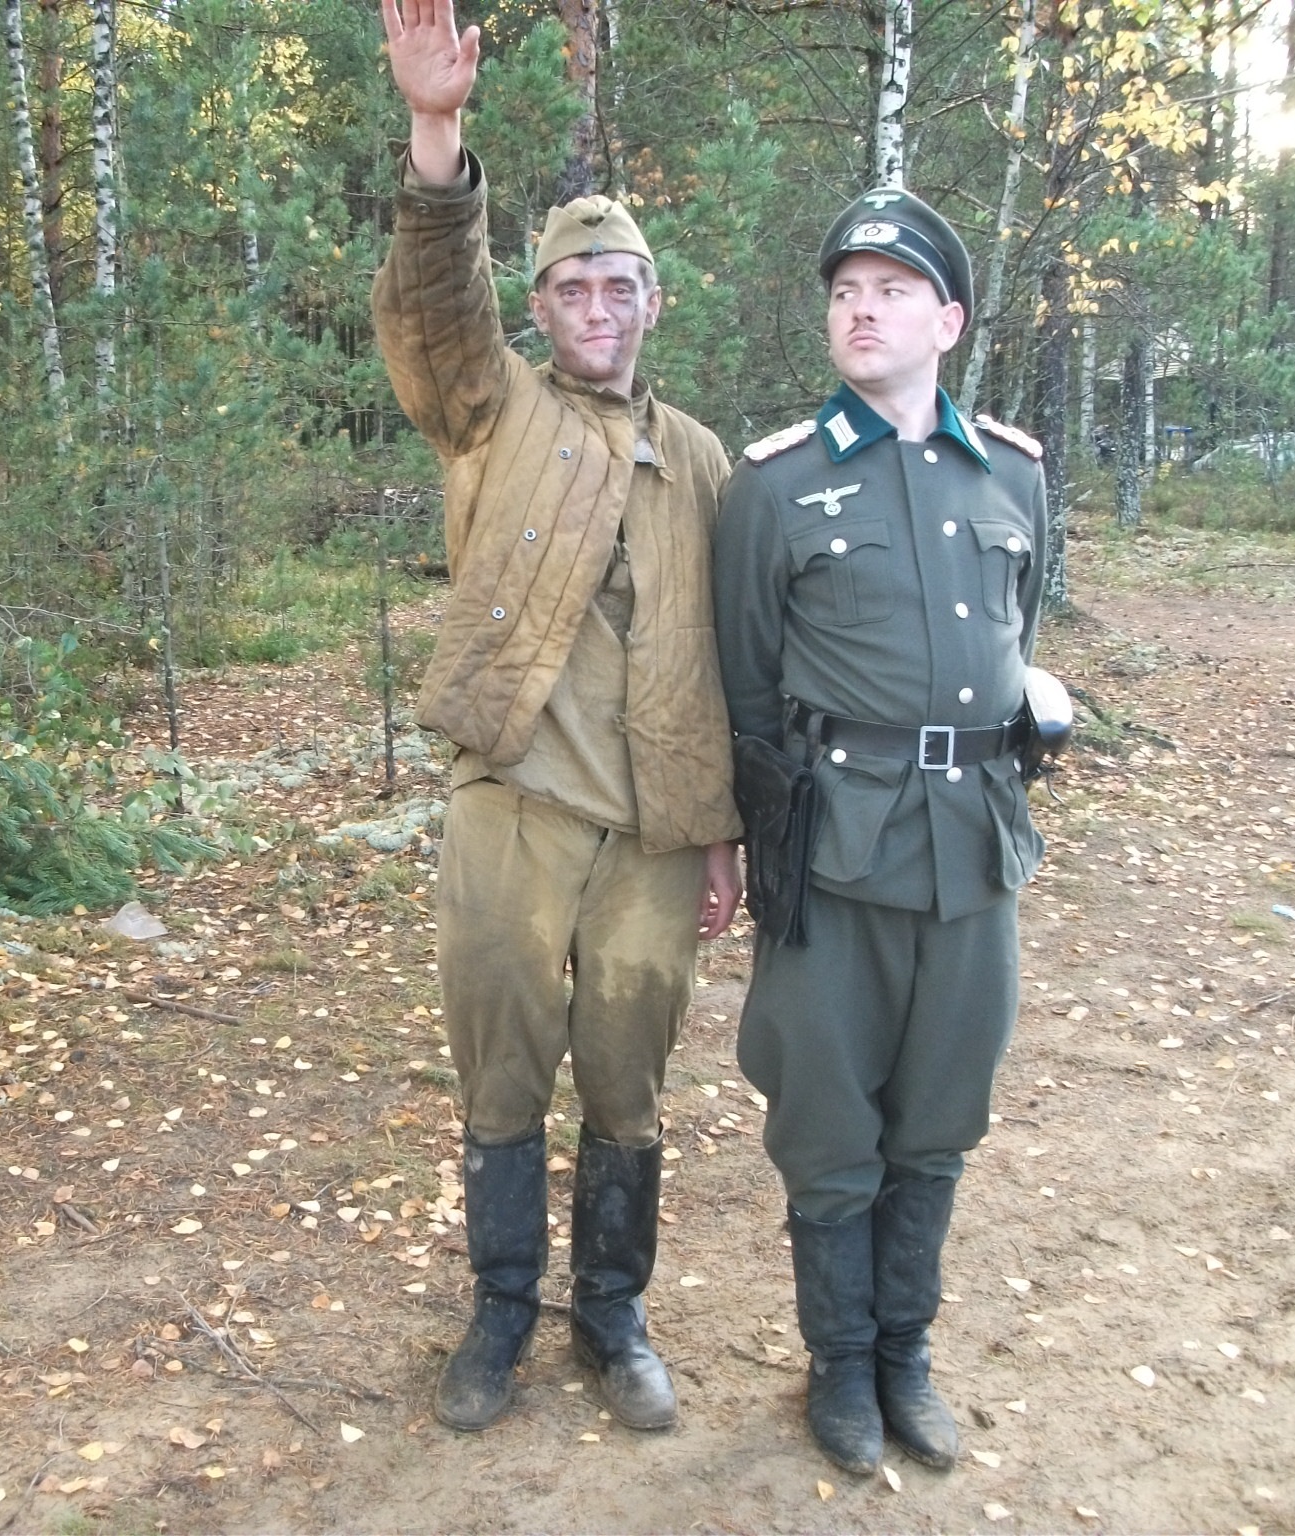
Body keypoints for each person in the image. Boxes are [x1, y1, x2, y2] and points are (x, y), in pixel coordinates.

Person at [371, 0, 743, 1435]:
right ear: (538, 310)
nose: (597, 307)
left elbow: (729, 656)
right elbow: (434, 307)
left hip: (655, 832)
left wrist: (721, 834)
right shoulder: (491, 413)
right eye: (573, 288)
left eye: (620, 286)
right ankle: (500, 1314)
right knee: (503, 1070)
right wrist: (437, 135)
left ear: (654, 304)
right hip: (514, 806)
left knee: (631, 1081)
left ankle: (614, 1318)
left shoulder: (703, 462)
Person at [711, 187, 1049, 1476]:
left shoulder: (1012, 471)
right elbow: (747, 690)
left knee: (943, 1110)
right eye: (847, 292)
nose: (863, 310)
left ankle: (907, 1355)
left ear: (947, 321)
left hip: (976, 847)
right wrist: (755, 847)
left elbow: (1018, 638)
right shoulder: (777, 483)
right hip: (835, 846)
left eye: (893, 292)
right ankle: (841, 1366)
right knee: (826, 1116)